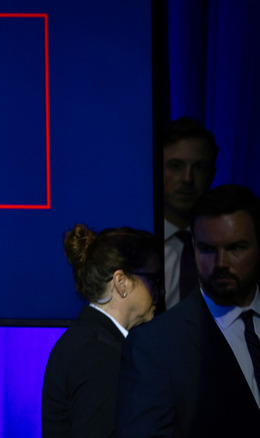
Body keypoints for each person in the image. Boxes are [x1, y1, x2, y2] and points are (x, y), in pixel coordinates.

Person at [117, 184, 260, 436]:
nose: (221, 263)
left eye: (236, 248)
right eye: (207, 249)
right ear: (193, 245)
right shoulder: (156, 345)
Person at [41, 224, 161, 437]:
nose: (160, 290)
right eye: (152, 279)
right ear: (121, 282)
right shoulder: (99, 353)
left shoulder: (89, 341)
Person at [161, 117, 218, 310]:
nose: (187, 179)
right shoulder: (135, 248)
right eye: (176, 166)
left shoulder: (227, 248)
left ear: (212, 174)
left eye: (199, 167)